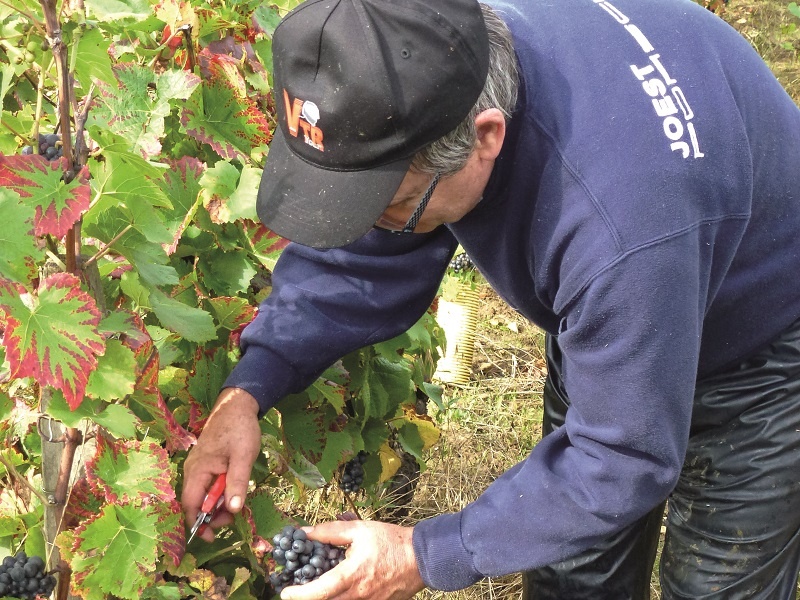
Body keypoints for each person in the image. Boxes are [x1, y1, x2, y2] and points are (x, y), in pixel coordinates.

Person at [180, 0, 800, 597]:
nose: (378, 227)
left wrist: (426, 553)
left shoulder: (614, 228)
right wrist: (247, 391)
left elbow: (621, 453)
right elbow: (356, 259)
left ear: (486, 137)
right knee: (571, 575)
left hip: (765, 341)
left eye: (390, 207)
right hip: (636, 283)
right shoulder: (430, 56)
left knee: (718, 583)